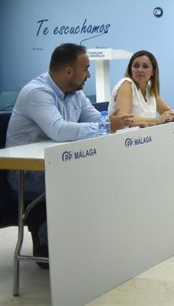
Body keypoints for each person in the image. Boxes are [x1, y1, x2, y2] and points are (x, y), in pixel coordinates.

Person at [5, 43, 133, 268]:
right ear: (68, 71)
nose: (89, 75)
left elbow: (97, 120)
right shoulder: (37, 92)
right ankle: (47, 241)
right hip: (25, 171)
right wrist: (107, 126)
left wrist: (108, 124)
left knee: (106, 177)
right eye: (85, 69)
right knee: (84, 183)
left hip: (59, 165)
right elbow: (59, 130)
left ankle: (85, 242)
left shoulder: (76, 94)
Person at [109, 50, 174, 125]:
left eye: (145, 66)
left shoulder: (149, 87)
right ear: (130, 69)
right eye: (136, 66)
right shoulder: (126, 84)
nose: (140, 70)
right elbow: (124, 119)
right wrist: (157, 120)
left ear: (153, 72)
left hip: (146, 135)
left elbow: (166, 111)